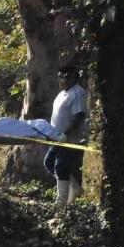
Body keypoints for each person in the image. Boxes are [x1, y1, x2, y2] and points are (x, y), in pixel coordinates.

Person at [43, 65, 88, 206]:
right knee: (49, 162)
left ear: (75, 78)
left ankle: (61, 201)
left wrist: (65, 134)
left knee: (60, 166)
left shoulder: (77, 93)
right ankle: (74, 187)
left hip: (70, 138)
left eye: (67, 77)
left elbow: (78, 116)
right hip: (57, 136)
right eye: (60, 77)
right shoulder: (62, 93)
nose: (63, 80)